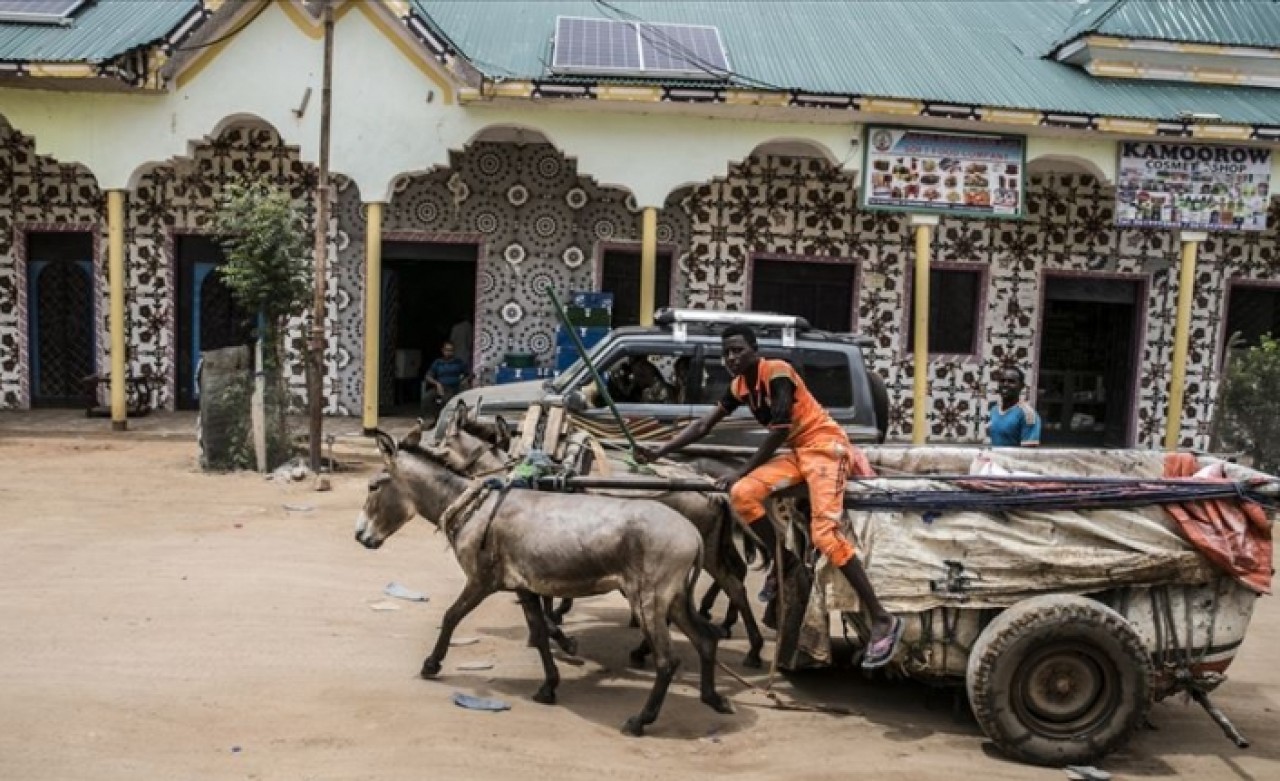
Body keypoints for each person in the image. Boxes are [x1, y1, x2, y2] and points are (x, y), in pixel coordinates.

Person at [636, 324, 904, 669]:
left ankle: (882, 617)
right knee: (742, 494)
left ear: (754, 350)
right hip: (798, 452)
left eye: (738, 350)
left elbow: (778, 430)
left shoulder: (777, 371)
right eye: (727, 352)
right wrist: (659, 452)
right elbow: (703, 426)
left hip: (824, 448)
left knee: (825, 534)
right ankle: (786, 563)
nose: (732, 358)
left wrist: (742, 468)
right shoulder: (740, 386)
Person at [989, 366, 1041, 447]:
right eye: (1002, 381)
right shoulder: (994, 410)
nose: (1005, 384)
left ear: (1022, 386)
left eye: (1011, 381)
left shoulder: (1027, 414)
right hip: (995, 458)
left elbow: (1028, 452)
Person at [421, 341, 470, 424]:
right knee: (426, 398)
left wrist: (465, 380)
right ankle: (433, 419)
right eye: (447, 350)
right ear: (443, 350)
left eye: (451, 350)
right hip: (439, 387)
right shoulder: (438, 362)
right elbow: (428, 376)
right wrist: (437, 384)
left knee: (446, 400)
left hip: (453, 388)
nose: (449, 352)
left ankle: (445, 422)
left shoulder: (458, 362)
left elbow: (469, 374)